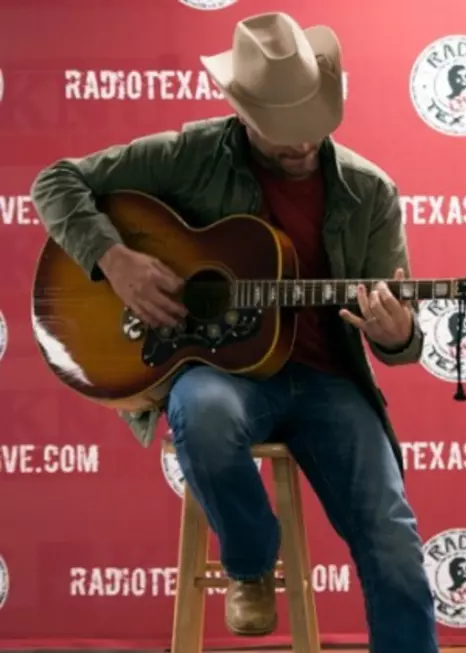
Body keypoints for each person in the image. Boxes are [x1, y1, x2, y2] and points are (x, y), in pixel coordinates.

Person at [30, 12, 438, 652]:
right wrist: (115, 259)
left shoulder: (370, 192)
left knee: (393, 539)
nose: (301, 146)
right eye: (282, 134)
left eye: (312, 129)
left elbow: (402, 345)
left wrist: (395, 333)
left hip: (327, 382)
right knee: (203, 412)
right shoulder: (190, 154)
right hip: (224, 375)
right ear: (242, 113)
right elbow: (55, 181)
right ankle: (249, 563)